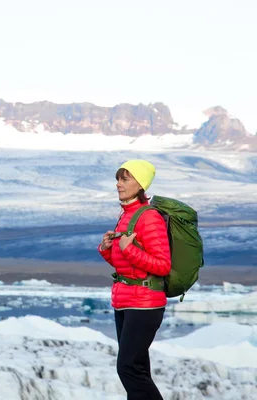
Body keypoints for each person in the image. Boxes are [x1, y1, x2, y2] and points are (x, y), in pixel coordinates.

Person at [98, 159, 171, 400]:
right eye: (118, 178)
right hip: (126, 302)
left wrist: (129, 250)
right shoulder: (126, 215)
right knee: (137, 370)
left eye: (125, 179)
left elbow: (162, 265)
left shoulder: (149, 217)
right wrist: (109, 250)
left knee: (128, 368)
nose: (118, 184)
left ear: (140, 184)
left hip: (145, 304)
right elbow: (128, 268)